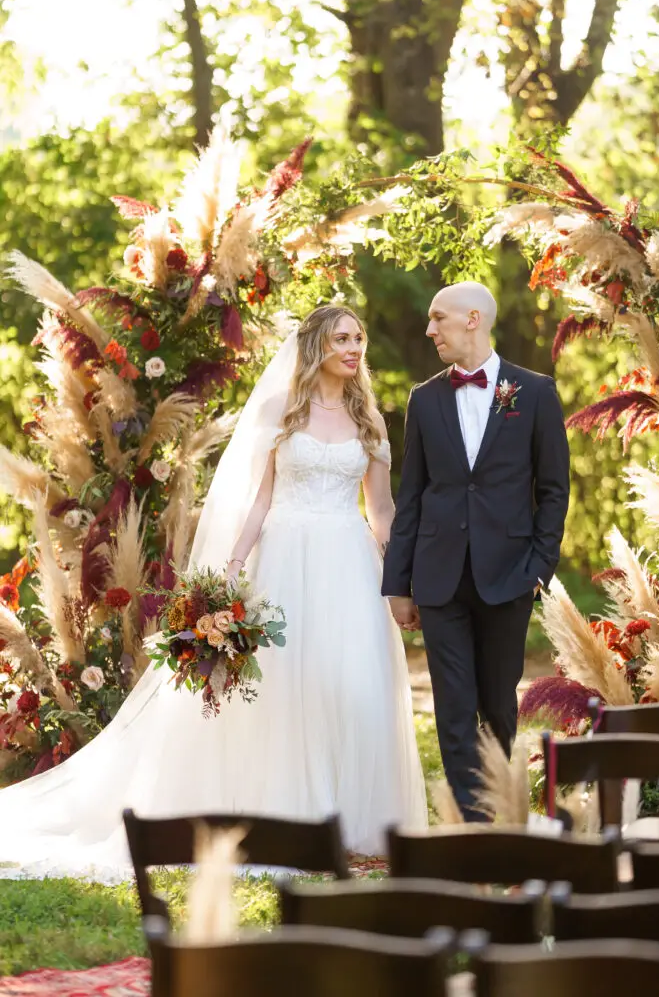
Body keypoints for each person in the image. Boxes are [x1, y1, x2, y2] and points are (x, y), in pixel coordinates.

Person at [0, 305, 426, 882]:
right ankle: (294, 819)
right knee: (290, 683)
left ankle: (352, 819)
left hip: (349, 562)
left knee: (352, 683)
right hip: (285, 557)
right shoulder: (284, 411)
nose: (355, 348)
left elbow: (380, 509)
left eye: (359, 337)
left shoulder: (368, 419)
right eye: (343, 337)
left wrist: (397, 575)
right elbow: (259, 501)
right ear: (317, 346)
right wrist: (231, 564)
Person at [382, 282, 570, 820]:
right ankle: (472, 825)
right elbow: (411, 492)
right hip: (439, 576)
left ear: (472, 319)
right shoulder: (424, 398)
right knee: (454, 705)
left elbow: (554, 490)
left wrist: (539, 567)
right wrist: (398, 583)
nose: (429, 329)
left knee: (497, 703)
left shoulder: (534, 392)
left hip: (509, 574)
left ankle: (498, 805)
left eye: (437, 319)